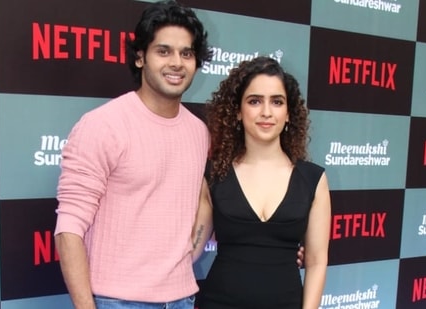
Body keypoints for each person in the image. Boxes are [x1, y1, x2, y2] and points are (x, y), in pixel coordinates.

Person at [53, 1, 213, 308]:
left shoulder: (198, 131)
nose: (177, 62)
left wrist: (180, 261)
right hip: (116, 302)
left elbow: (201, 200)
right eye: (163, 51)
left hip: (181, 299)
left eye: (186, 53)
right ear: (140, 57)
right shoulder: (102, 125)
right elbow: (69, 229)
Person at [194, 56, 331, 309]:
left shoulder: (313, 179)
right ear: (237, 111)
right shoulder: (214, 175)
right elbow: (191, 249)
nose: (266, 112)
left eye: (277, 102)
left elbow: (315, 262)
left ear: (288, 113)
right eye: (255, 101)